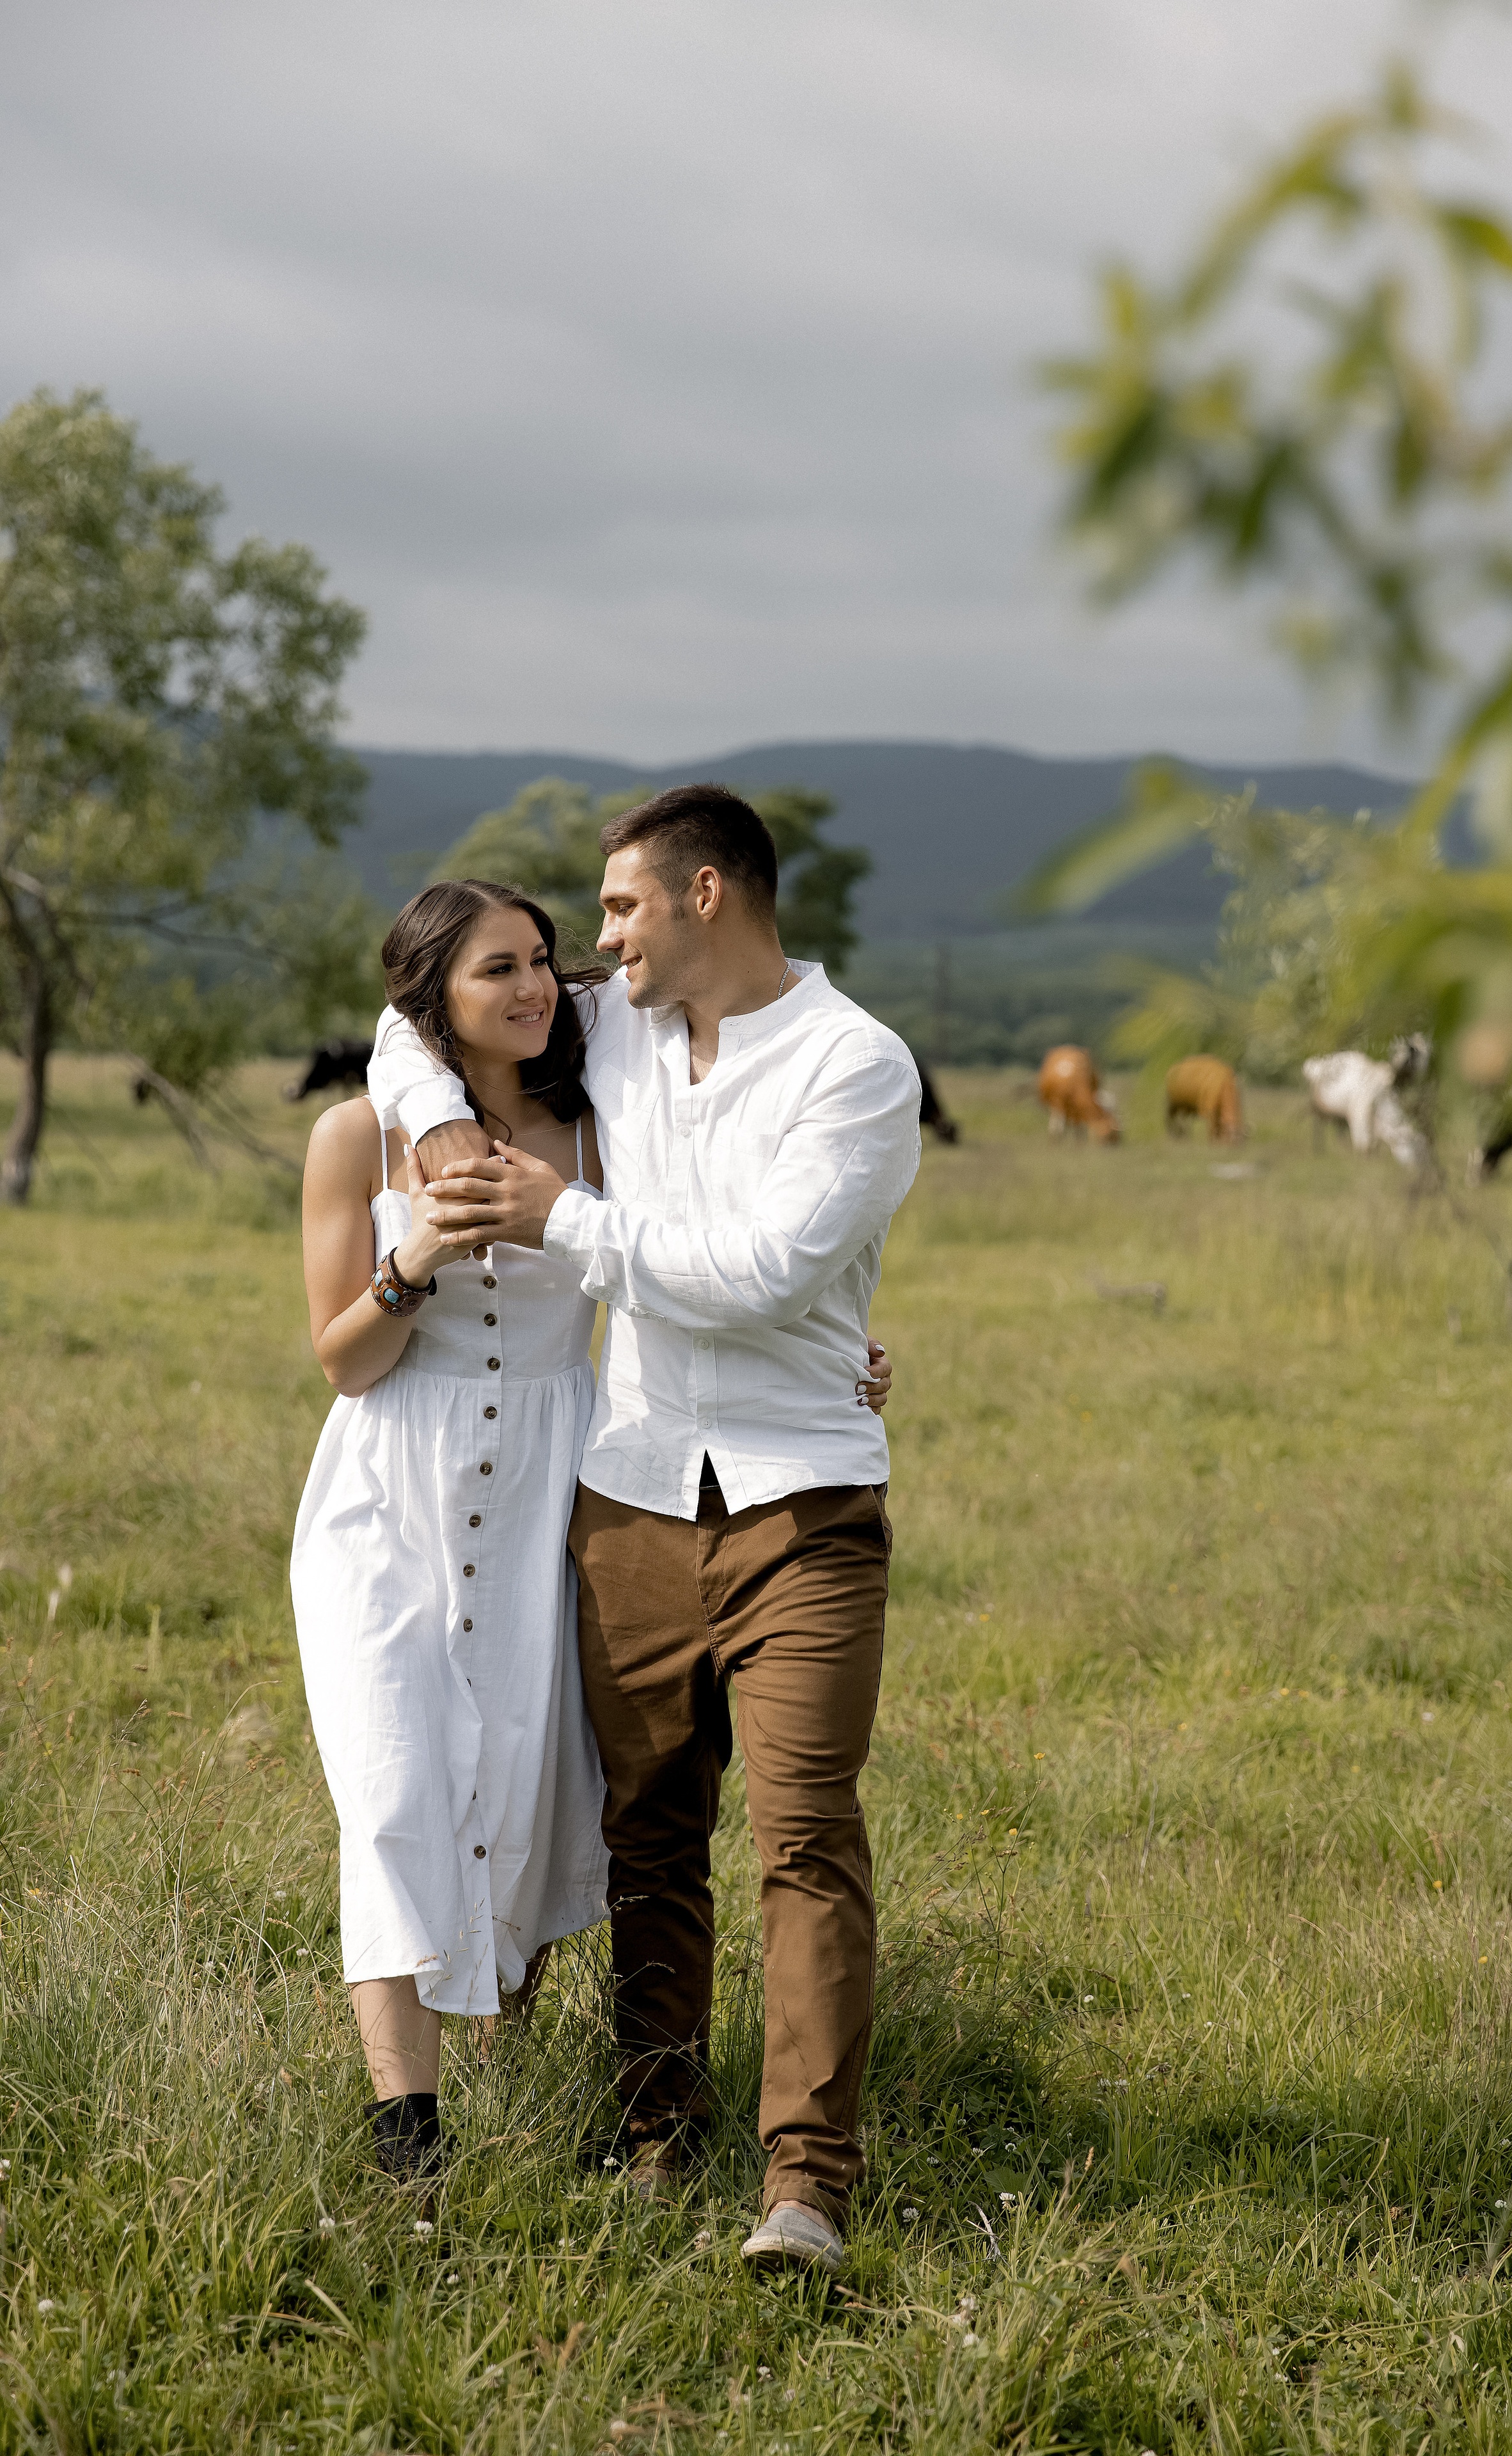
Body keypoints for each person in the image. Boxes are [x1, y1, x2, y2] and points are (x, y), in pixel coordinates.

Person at [368, 782, 922, 2274]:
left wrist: (558, 1217)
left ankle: (802, 2187)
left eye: (616, 910)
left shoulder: (856, 1066)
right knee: (647, 1837)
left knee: (804, 1837)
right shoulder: (611, 1025)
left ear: (703, 896)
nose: (591, 945)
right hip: (627, 1495)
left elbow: (758, 1272)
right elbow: (406, 1027)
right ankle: (652, 2134)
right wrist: (437, 1145)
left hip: (801, 1503)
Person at [291, 881, 614, 2180]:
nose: (535, 988)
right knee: (391, 1794)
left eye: (542, 962)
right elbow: (344, 1361)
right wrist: (411, 1256)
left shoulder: (600, 1129)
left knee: (527, 1789)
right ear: (431, 1000)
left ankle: (511, 2073)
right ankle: (405, 2144)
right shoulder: (353, 1139)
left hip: (551, 1485)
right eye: (499, 970)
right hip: (388, 1493)